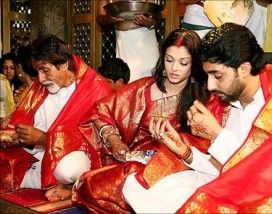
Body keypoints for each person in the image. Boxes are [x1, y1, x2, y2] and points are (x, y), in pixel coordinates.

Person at [121, 23, 272, 213]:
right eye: (208, 75)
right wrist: (185, 152)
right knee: (137, 187)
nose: (209, 86)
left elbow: (262, 174)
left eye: (217, 75)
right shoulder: (232, 100)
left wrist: (217, 135)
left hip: (263, 198)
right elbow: (225, 168)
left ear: (243, 69)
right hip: (228, 183)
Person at [74, 28, 226, 213]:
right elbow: (101, 111)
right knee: (92, 186)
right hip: (131, 159)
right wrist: (114, 141)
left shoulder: (205, 99)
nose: (174, 68)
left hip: (175, 166)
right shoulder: (143, 88)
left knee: (132, 184)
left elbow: (209, 146)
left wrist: (172, 144)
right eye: (169, 60)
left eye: (183, 63)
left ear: (194, 65)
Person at [0, 35, 112, 202]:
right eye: (37, 71)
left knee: (67, 170)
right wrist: (18, 136)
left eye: (45, 70)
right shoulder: (43, 85)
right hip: (40, 156)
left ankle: (70, 184)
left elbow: (100, 144)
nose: (40, 79)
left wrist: (44, 139)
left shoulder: (97, 88)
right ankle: (46, 179)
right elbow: (26, 120)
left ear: (64, 64)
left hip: (79, 158)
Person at [97, 0, 161, 82]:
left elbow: (158, 15)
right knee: (125, 87)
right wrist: (109, 19)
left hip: (147, 48)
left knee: (150, 86)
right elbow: (100, 18)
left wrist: (151, 23)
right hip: (123, 47)